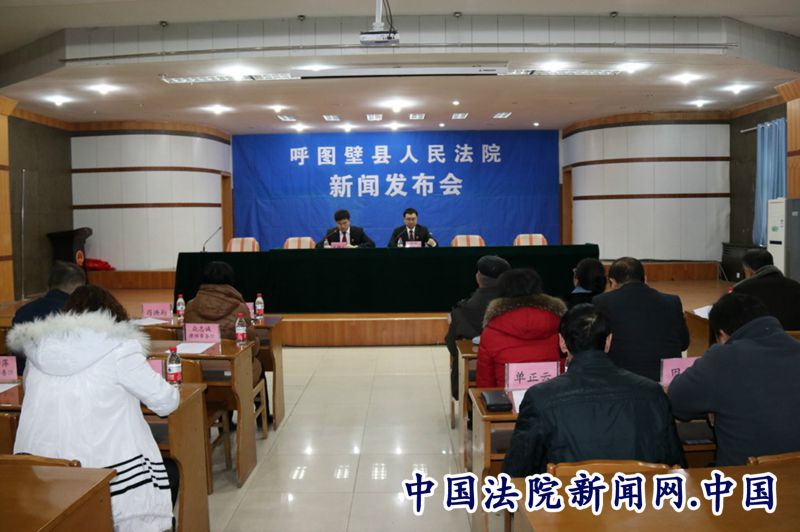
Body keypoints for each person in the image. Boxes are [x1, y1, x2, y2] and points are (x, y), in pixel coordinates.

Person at [7, 285, 180, 532]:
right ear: (114, 316)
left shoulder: (39, 350)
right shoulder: (120, 349)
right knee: (170, 472)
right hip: (101, 477)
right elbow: (166, 402)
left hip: (42, 475)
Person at [503, 304, 685, 476]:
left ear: (562, 343)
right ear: (608, 342)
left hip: (567, 499)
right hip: (638, 496)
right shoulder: (653, 393)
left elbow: (516, 471)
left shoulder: (540, 397)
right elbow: (676, 465)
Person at [668, 293, 800, 466]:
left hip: (744, 478)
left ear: (722, 334)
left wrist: (713, 406)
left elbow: (676, 402)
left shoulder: (723, 358)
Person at [592, 257, 689, 381]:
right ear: (645, 279)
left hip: (622, 380)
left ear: (612, 282)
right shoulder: (672, 302)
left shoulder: (601, 302)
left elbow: (596, 347)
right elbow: (683, 344)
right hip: (666, 381)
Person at [476, 268, 565, 387]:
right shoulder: (560, 324)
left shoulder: (491, 331)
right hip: (554, 396)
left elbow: (485, 382)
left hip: (506, 398)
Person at [183, 261, 263, 387]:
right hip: (233, 370)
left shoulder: (190, 305)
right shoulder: (240, 308)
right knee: (258, 364)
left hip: (196, 371)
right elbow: (251, 348)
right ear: (230, 280)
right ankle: (255, 398)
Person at [445, 255, 511, 399]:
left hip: (476, 372)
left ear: (478, 278)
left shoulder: (462, 311)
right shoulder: (516, 307)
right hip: (514, 370)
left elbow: (453, 347)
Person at [11, 260, 86, 375]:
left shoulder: (22, 312)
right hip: (63, 379)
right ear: (80, 289)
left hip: (24, 379)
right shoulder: (78, 315)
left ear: (48, 286)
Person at [731, 249, 800, 330]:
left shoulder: (741, 290)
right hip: (794, 337)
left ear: (749, 271)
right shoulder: (796, 286)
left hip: (758, 337)